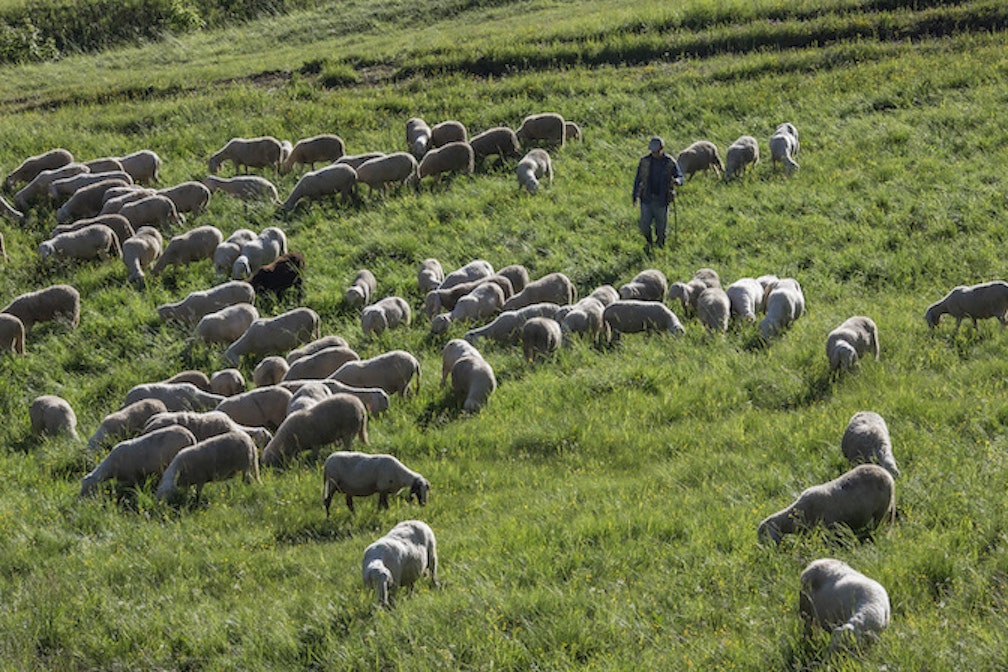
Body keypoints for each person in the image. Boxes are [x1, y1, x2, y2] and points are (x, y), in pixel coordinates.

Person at [631, 136, 684, 251]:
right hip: (646, 198)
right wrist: (634, 196)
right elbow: (638, 179)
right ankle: (649, 242)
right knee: (644, 226)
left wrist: (677, 181)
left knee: (661, 229)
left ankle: (660, 247)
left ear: (662, 148)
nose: (655, 153)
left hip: (662, 200)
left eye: (657, 151)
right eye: (653, 151)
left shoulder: (670, 162)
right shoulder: (644, 161)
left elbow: (680, 175)